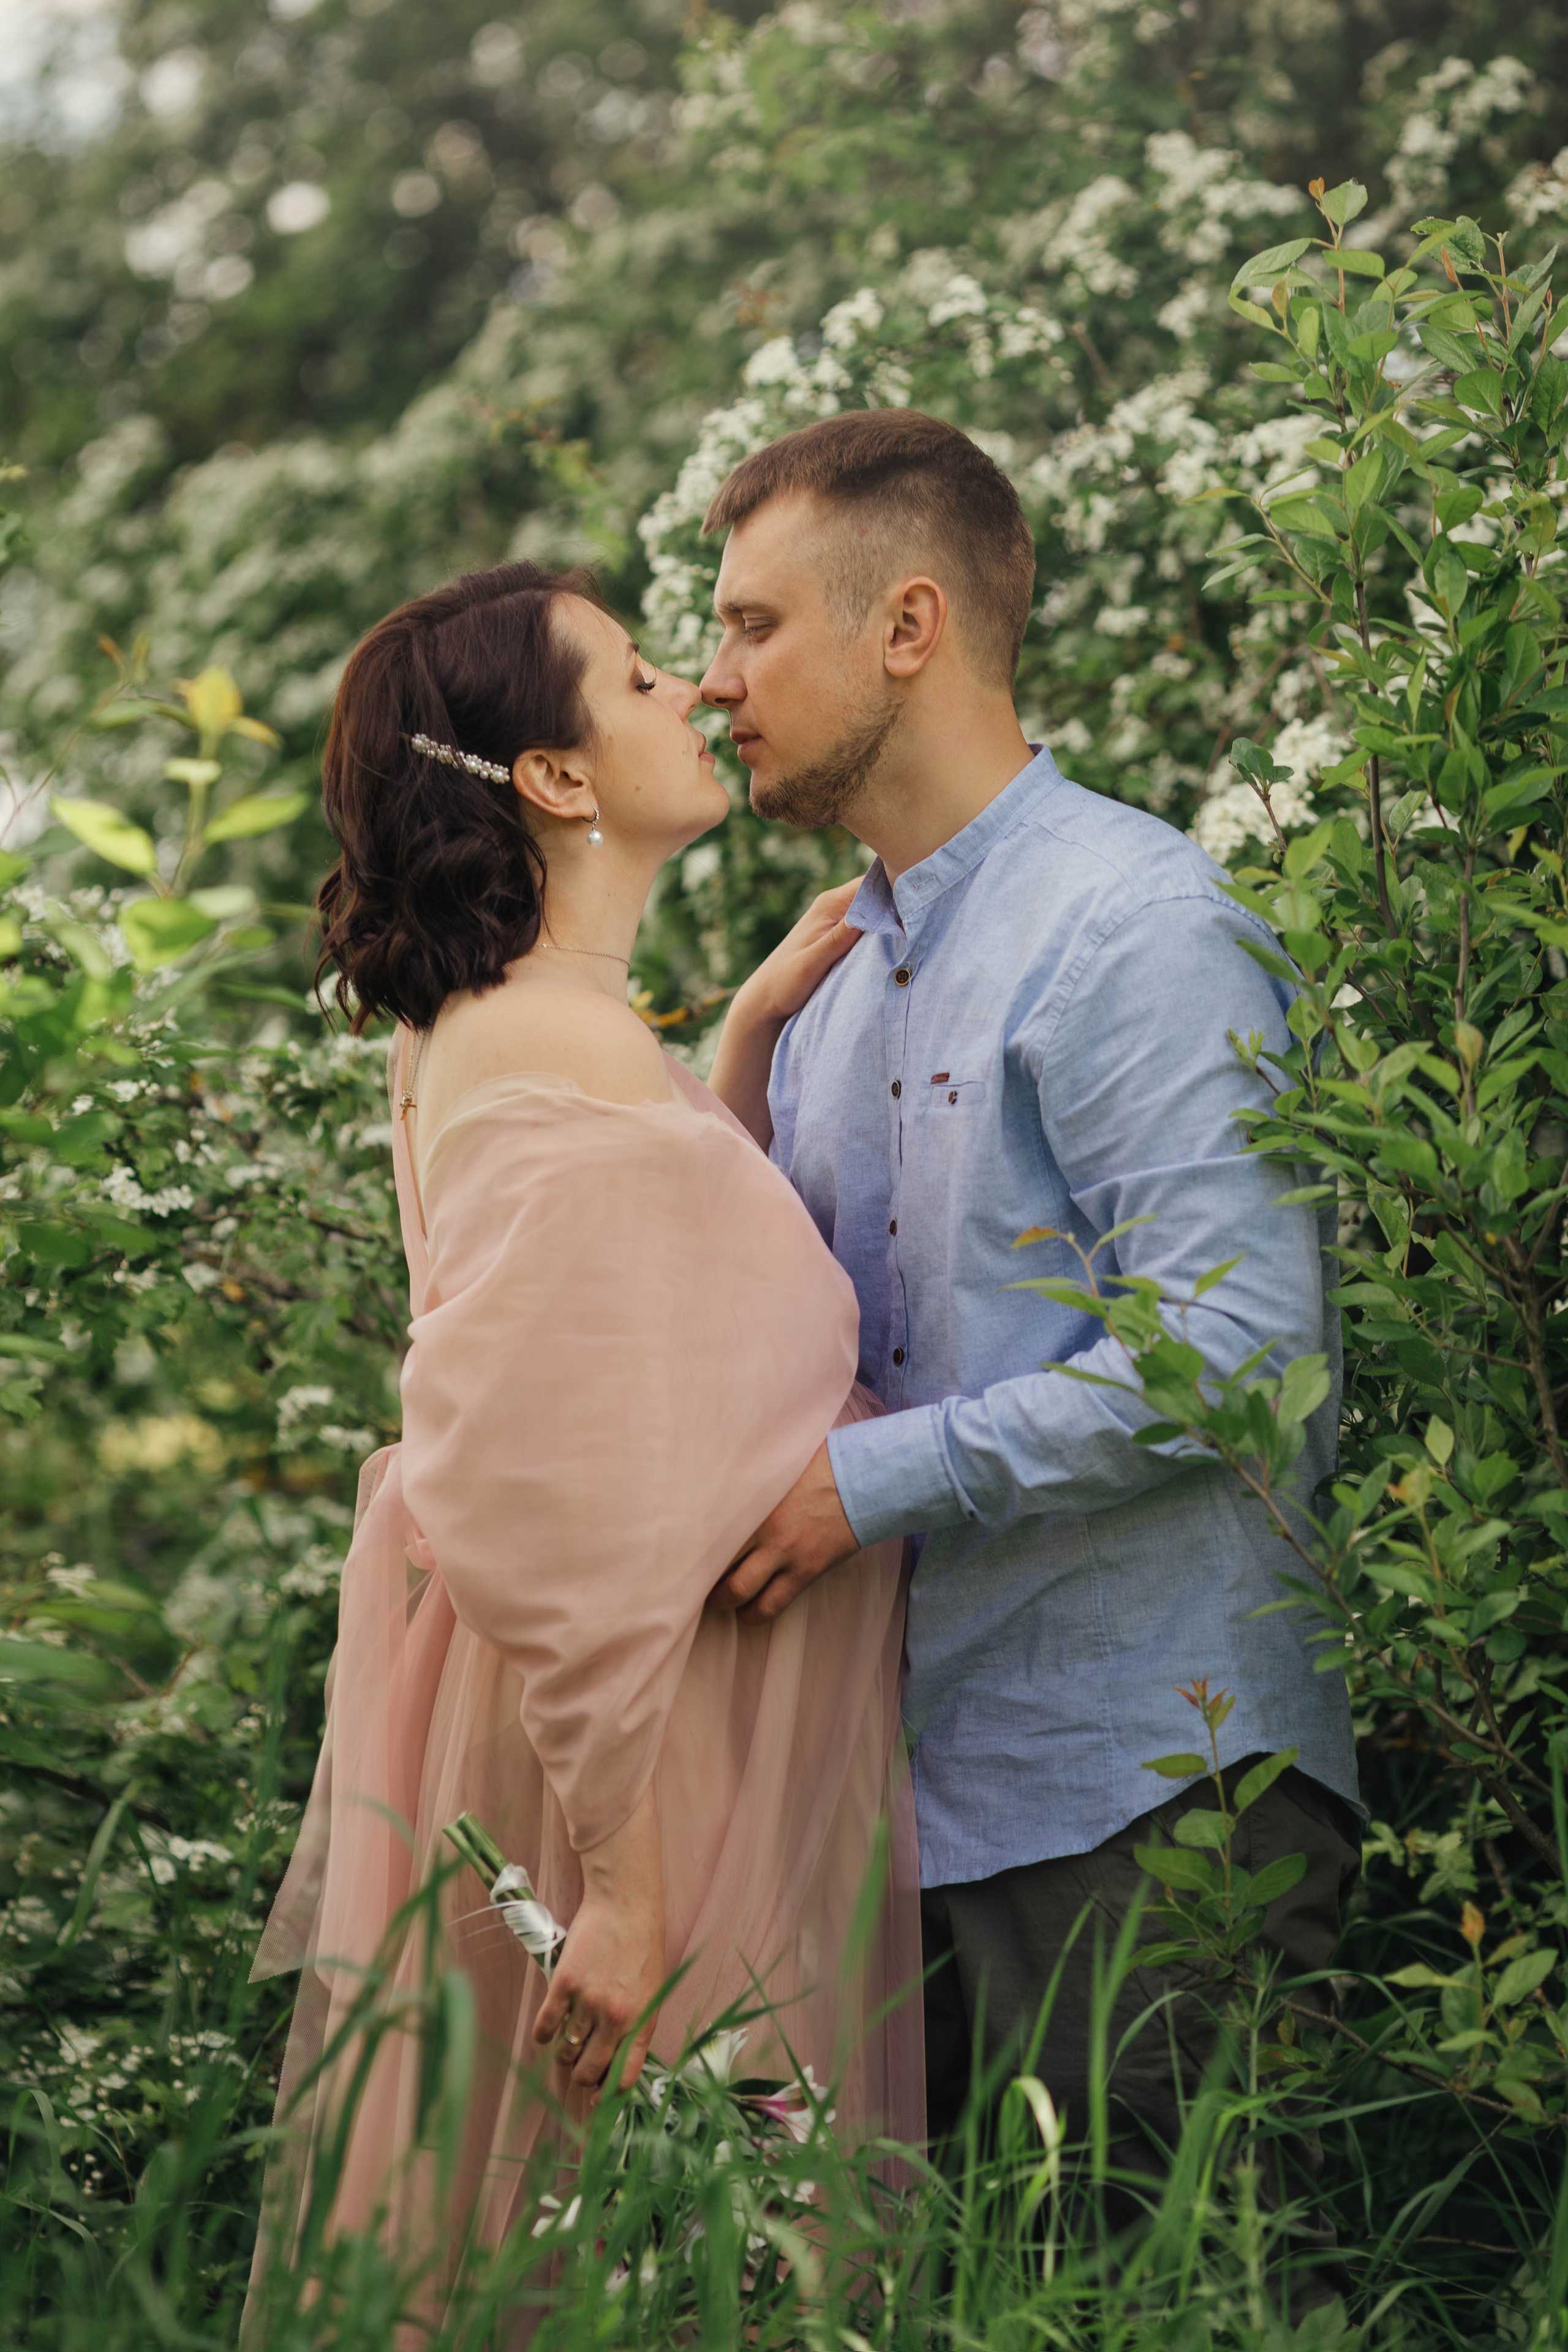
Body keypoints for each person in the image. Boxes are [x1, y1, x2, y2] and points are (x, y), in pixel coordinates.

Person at [698, 412, 1363, 2220]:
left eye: (755, 627)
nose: (710, 680)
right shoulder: (829, 991)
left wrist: (871, 1487)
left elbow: (1236, 1357)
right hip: (902, 1821)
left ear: (907, 626)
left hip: (1152, 1802)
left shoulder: (1134, 923)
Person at [247, 561, 922, 2315]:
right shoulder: (549, 1045)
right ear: (551, 779)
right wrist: (622, 1886)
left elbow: (647, 1326)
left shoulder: (519, 1035)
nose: (693, 692)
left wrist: (747, 1052)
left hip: (627, 1701)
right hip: (649, 1743)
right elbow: (521, 1472)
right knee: (672, 2254)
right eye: (635, 678)